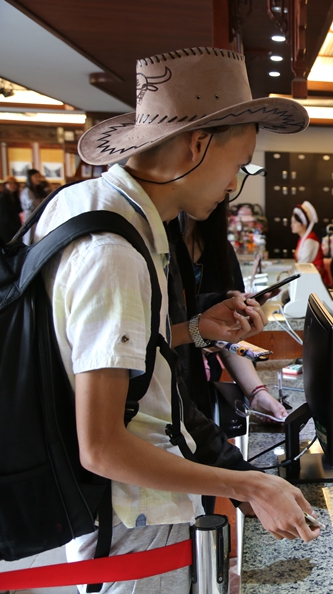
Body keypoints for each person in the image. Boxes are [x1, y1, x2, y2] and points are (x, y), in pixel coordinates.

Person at [33, 47, 316, 593]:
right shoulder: (113, 250)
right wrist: (249, 486)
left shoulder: (91, 206)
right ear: (197, 144)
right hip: (130, 522)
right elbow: (102, 445)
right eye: (238, 165)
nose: (234, 186)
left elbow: (98, 355)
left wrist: (196, 330)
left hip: (123, 509)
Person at [171, 201, 287, 423]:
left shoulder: (219, 249)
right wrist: (199, 333)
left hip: (200, 392)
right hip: (167, 394)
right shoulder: (160, 249)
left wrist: (257, 393)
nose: (231, 186)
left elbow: (227, 337)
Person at [291, 200, 330, 285]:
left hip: (315, 281)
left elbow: (302, 265)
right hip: (307, 277)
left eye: (294, 222)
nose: (292, 225)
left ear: (304, 224)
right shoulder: (302, 239)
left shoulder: (310, 241)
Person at [0, 175, 22, 243]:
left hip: (15, 227)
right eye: (10, 183)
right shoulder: (3, 198)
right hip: (7, 228)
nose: (13, 185)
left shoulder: (15, 197)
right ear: (5, 185)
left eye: (14, 183)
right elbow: (5, 216)